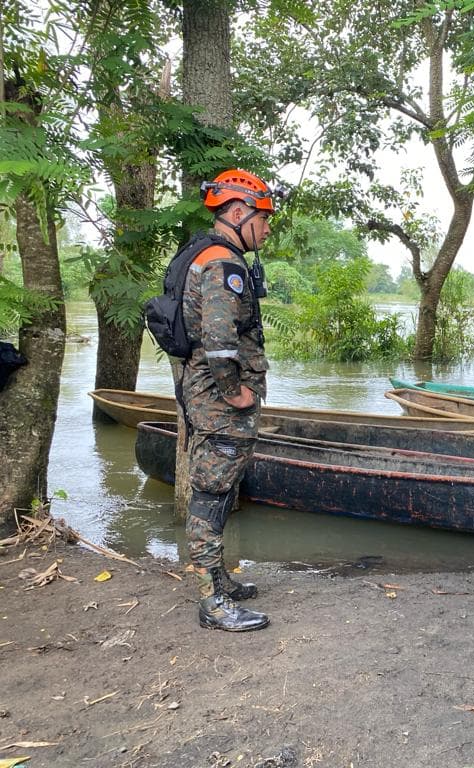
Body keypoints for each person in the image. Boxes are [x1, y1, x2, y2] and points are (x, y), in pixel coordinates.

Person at [181, 169, 275, 632]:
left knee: (218, 488)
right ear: (238, 213)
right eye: (264, 218)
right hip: (219, 401)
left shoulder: (209, 254)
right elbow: (220, 341)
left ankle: (219, 579)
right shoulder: (223, 262)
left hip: (206, 396)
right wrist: (234, 392)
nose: (267, 228)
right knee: (211, 495)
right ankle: (211, 602)